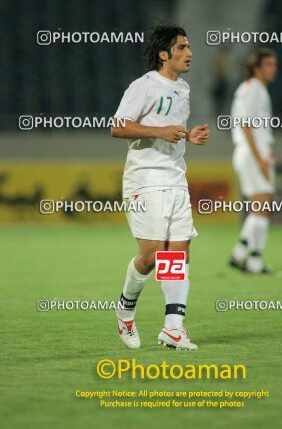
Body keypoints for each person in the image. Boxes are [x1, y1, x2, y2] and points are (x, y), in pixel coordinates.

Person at [111, 24, 209, 349]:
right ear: (163, 54)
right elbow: (118, 127)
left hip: (175, 178)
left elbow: (172, 131)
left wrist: (188, 136)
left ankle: (173, 328)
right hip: (145, 178)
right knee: (152, 255)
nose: (189, 53)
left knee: (178, 254)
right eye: (182, 47)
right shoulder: (143, 86)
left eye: (189, 47)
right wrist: (158, 132)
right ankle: (125, 307)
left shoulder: (183, 88)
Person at [229, 48, 277, 274]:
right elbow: (246, 124)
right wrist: (260, 158)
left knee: (262, 205)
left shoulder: (252, 89)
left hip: (253, 151)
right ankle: (252, 259)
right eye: (268, 64)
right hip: (251, 151)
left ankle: (242, 254)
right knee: (262, 204)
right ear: (257, 69)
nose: (273, 68)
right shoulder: (254, 89)